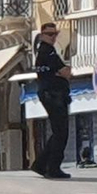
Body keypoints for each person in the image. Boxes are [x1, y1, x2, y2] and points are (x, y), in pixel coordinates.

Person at [31, 23, 73, 179]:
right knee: (61, 132)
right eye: (50, 35)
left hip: (50, 93)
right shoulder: (48, 53)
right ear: (42, 35)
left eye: (55, 34)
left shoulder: (43, 52)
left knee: (58, 131)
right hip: (54, 95)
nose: (54, 37)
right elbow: (66, 72)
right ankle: (52, 167)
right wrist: (63, 73)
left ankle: (41, 164)